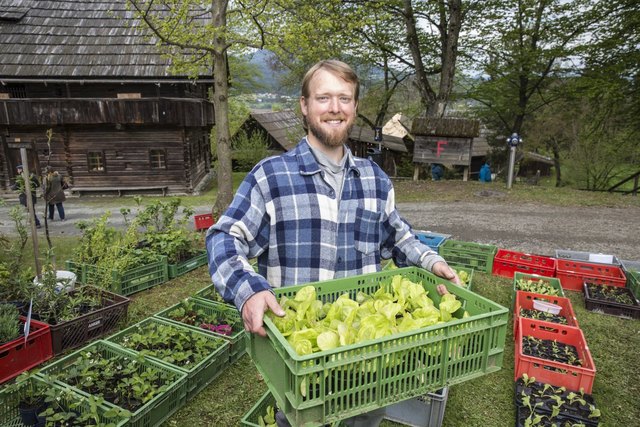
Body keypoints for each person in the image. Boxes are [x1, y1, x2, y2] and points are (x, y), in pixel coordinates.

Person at [206, 60, 460, 427]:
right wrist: (247, 291)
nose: (335, 107)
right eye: (323, 97)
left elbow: (398, 235)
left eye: (344, 98)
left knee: (365, 419)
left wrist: (432, 262)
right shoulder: (271, 177)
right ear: (305, 106)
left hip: (366, 360)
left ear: (355, 108)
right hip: (300, 363)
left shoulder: (375, 179)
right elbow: (223, 237)